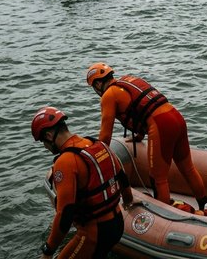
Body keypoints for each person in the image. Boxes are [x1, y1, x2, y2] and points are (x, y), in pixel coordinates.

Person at [86, 62, 207, 210]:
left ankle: (165, 215)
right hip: (176, 117)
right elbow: (144, 106)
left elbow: (105, 136)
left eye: (94, 87)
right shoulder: (129, 80)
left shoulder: (108, 96)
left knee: (158, 178)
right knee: (187, 168)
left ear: (98, 84)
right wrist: (139, 135)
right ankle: (203, 207)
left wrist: (95, 158)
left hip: (161, 124)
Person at [32, 106, 135, 259]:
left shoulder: (65, 162)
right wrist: (128, 200)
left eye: (43, 142)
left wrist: (48, 251)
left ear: (48, 135)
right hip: (117, 223)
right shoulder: (97, 144)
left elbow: (65, 214)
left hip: (93, 233)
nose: (45, 147)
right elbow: (121, 176)